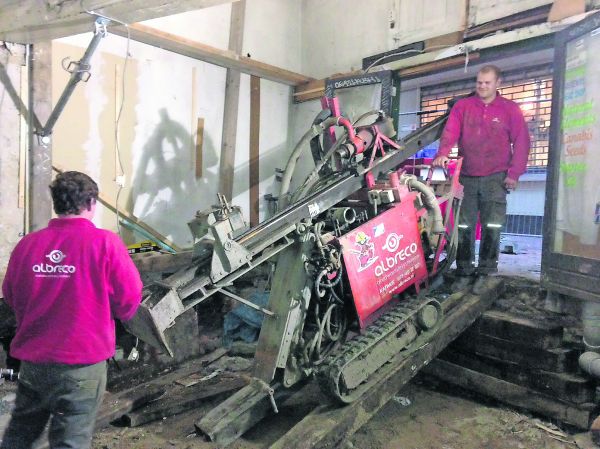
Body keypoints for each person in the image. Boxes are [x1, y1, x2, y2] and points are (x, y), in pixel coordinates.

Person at [1, 171, 143, 449]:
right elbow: (129, 298)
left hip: (34, 364)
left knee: (20, 436)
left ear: (56, 203)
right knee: (71, 440)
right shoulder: (105, 243)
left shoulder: (27, 245)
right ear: (91, 203)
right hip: (82, 366)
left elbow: (11, 296)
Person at [432, 65, 530, 294]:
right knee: (464, 225)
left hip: (496, 177)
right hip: (467, 176)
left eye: (487, 82)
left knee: (492, 225)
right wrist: (443, 153)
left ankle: (486, 271)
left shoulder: (510, 109)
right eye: (479, 82)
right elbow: (451, 131)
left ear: (498, 83)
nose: (482, 86)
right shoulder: (463, 107)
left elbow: (522, 142)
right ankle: (464, 271)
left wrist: (514, 173)